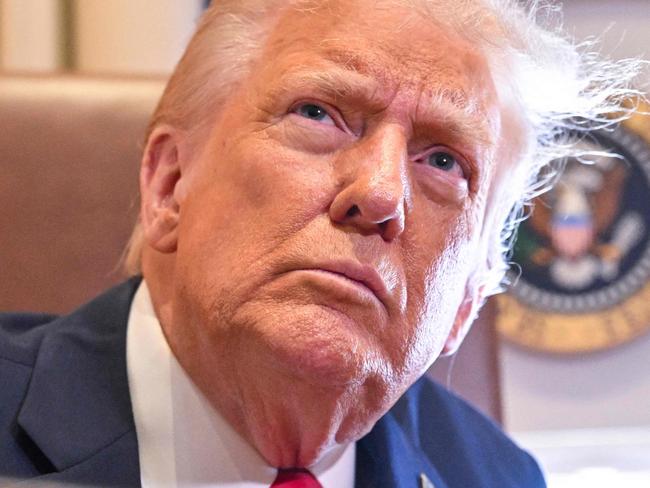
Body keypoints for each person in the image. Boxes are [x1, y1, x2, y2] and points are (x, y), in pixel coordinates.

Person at [0, 0, 640, 486]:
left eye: (444, 161)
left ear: (469, 299)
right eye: (317, 114)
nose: (383, 192)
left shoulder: (497, 476)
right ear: (169, 185)